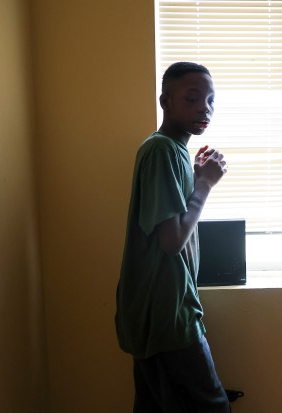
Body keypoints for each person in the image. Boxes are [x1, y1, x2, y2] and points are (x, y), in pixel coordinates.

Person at [115, 62, 230, 413]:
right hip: (165, 314)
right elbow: (172, 241)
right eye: (192, 98)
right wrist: (206, 185)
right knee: (212, 406)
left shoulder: (175, 151)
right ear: (165, 101)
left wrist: (197, 178)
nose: (204, 108)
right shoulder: (161, 150)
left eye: (210, 100)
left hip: (158, 310)